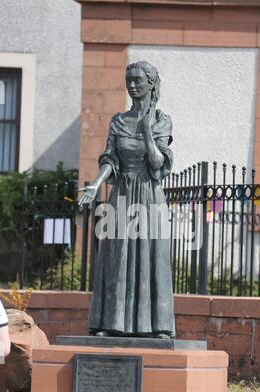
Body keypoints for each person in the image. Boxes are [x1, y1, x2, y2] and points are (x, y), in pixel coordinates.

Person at [79, 61, 175, 339]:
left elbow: (158, 163)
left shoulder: (161, 120)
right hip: (121, 193)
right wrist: (95, 185)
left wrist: (146, 131)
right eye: (129, 80)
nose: (132, 85)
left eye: (138, 80)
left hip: (149, 194)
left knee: (150, 254)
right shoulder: (118, 121)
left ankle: (157, 326)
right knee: (118, 256)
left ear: (151, 84)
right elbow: (111, 158)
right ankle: (112, 323)